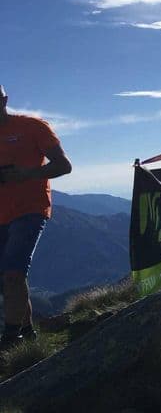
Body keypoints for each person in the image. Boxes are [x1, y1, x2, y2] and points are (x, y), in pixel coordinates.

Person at [0, 85, 72, 348]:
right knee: (10, 277)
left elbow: (64, 165)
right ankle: (28, 333)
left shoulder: (33, 127)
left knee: (13, 274)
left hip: (31, 210)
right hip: (1, 214)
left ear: (4, 99)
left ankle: (10, 339)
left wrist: (26, 174)